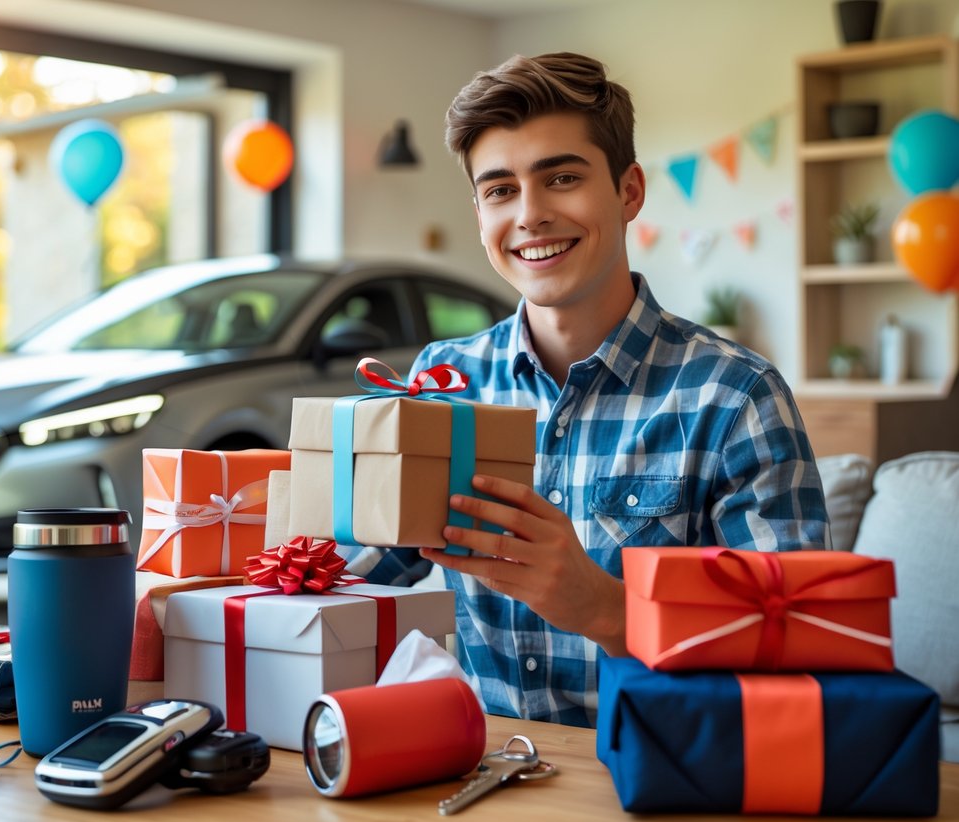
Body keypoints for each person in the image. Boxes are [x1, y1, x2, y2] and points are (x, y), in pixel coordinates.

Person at [349, 52, 829, 727]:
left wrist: (605, 608)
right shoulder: (444, 384)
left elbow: (799, 649)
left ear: (629, 192)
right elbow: (345, 579)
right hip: (480, 768)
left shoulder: (735, 397)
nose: (530, 214)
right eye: (499, 190)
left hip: (663, 777)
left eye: (562, 178)